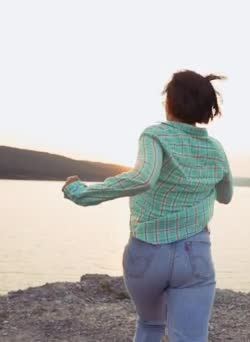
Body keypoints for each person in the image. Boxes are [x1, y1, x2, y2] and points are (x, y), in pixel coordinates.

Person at [61, 70, 233, 342]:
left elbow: (143, 177)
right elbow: (225, 195)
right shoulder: (216, 148)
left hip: (147, 251)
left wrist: (81, 192)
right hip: (195, 253)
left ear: (169, 103)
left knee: (151, 324)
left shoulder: (155, 135)